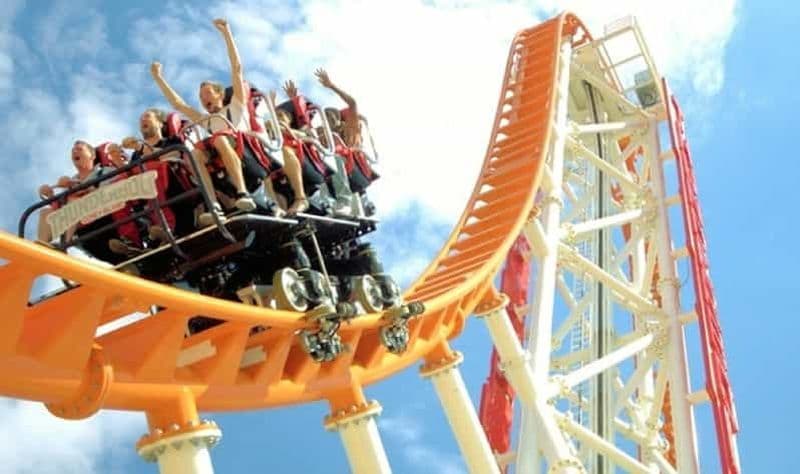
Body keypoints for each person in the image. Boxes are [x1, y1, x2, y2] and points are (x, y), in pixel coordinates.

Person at [149, 19, 308, 217]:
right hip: (220, 151)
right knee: (196, 154)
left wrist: (227, 34)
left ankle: (242, 191)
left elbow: (237, 69)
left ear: (220, 94)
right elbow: (179, 104)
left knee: (220, 138)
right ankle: (214, 205)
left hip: (248, 149)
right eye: (201, 97)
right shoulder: (206, 120)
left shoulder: (236, 105)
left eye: (207, 93)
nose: (203, 98)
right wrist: (158, 78)